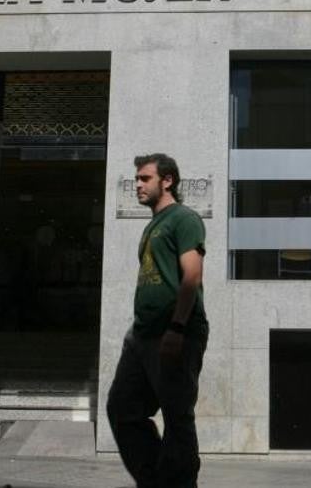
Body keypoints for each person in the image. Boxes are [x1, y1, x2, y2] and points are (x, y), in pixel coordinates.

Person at [106, 153, 208, 488]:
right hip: (141, 334)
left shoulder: (183, 219)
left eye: (145, 178)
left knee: (177, 416)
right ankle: (157, 480)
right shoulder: (153, 224)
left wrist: (177, 328)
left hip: (173, 331)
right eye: (137, 178)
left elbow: (192, 275)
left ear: (168, 181)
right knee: (122, 409)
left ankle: (178, 483)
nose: (137, 184)